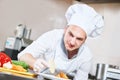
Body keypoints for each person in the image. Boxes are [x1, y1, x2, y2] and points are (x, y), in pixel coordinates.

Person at [18, 3, 104, 80]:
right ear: (65, 29)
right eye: (71, 34)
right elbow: (23, 56)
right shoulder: (52, 37)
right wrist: (34, 62)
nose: (72, 42)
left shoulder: (86, 56)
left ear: (85, 40)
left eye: (79, 39)